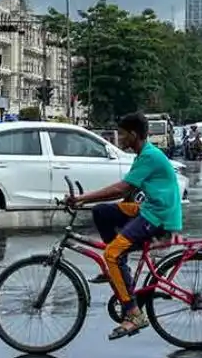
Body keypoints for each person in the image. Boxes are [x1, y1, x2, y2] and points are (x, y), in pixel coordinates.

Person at [68, 112, 183, 341]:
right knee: (102, 212)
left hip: (157, 216)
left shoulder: (149, 156)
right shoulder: (143, 155)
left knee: (111, 253)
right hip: (148, 209)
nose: (119, 139)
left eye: (121, 134)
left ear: (133, 134)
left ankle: (133, 313)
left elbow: (122, 188)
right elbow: (129, 192)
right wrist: (114, 210)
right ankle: (117, 267)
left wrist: (83, 198)